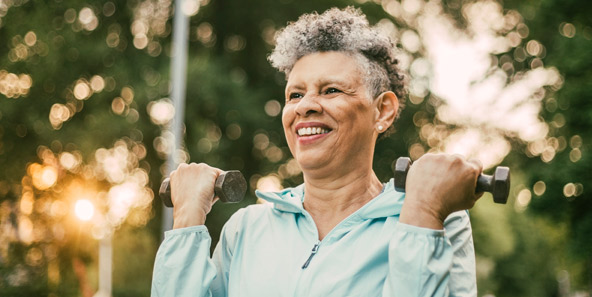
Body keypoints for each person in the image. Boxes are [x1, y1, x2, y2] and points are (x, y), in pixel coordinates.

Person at [151, 7, 482, 297]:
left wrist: (424, 213)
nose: (305, 106)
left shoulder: (435, 217)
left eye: (331, 90)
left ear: (382, 111)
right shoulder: (246, 228)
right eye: (294, 95)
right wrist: (187, 220)